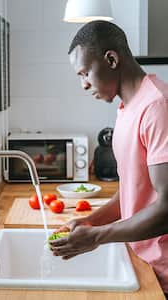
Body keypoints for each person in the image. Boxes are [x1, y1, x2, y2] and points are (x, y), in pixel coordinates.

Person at [49, 20, 168, 297]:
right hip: (142, 262)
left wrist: (98, 237)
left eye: (85, 73)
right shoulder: (128, 107)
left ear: (111, 59)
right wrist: (91, 222)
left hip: (163, 273)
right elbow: (131, 194)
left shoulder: (157, 108)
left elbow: (166, 207)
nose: (83, 84)